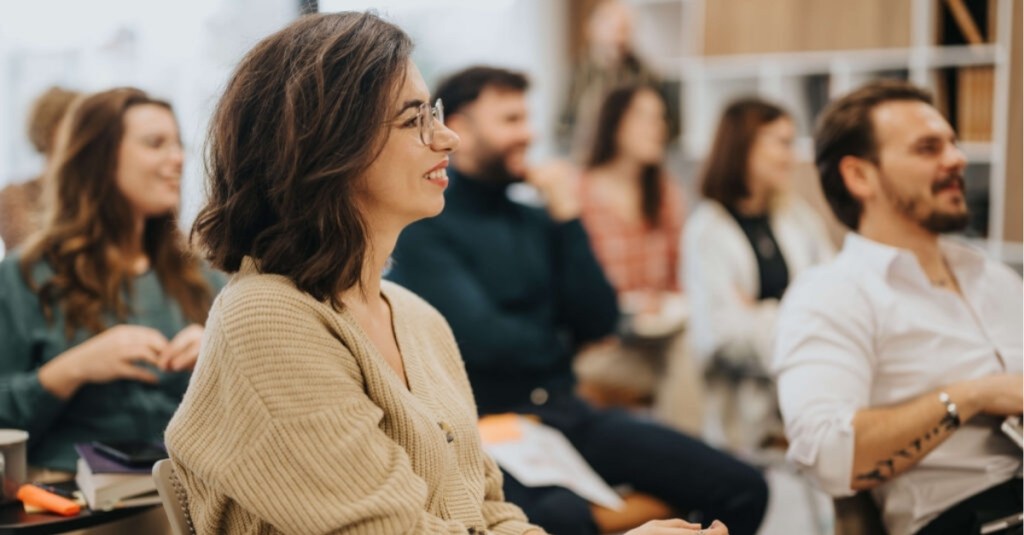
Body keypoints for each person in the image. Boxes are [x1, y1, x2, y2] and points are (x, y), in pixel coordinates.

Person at [162, 13, 719, 535]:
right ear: (326, 147)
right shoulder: (268, 319)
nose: (447, 139)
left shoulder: (417, 318)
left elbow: (492, 512)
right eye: (415, 119)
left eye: (435, 114)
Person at [389, 65, 767, 535]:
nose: (529, 133)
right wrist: (559, 341)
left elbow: (599, 318)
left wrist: (568, 217)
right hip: (488, 426)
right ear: (460, 128)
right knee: (562, 517)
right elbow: (480, 340)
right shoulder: (426, 224)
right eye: (510, 120)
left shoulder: (535, 218)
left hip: (564, 411)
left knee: (742, 484)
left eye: (527, 118)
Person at [774, 80, 1023, 535]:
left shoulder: (996, 278)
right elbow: (827, 454)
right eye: (928, 148)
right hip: (975, 516)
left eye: (952, 144)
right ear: (859, 176)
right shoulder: (831, 294)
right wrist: (974, 396)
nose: (957, 159)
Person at [0, 87, 224, 477]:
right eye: (156, 144)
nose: (177, 160)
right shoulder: (27, 277)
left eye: (178, 145)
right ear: (99, 160)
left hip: (186, 500)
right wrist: (73, 369)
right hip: (71, 507)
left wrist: (220, 359)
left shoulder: (200, 275)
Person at [684, 98, 834, 450]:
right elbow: (721, 336)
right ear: (743, 146)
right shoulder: (707, 231)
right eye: (780, 143)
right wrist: (799, 319)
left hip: (809, 375)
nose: (791, 156)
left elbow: (833, 295)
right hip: (747, 398)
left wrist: (761, 313)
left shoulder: (797, 216)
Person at [574, 84, 699, 433]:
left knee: (691, 351)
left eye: (660, 118)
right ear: (614, 123)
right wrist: (627, 308)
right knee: (689, 370)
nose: (657, 128)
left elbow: (681, 275)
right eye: (643, 117)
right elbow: (571, 288)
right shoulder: (577, 194)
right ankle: (692, 462)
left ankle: (689, 461)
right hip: (600, 346)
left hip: (659, 338)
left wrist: (663, 301)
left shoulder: (665, 192)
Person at [559, 0, 669, 158]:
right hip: (586, 159)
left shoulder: (645, 75)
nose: (620, 38)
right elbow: (563, 126)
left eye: (626, 30)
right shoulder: (577, 74)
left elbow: (663, 123)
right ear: (591, 30)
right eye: (614, 29)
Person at [0, 86, 80, 249]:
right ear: (53, 130)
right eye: (77, 123)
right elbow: (26, 251)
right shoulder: (14, 196)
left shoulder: (89, 193)